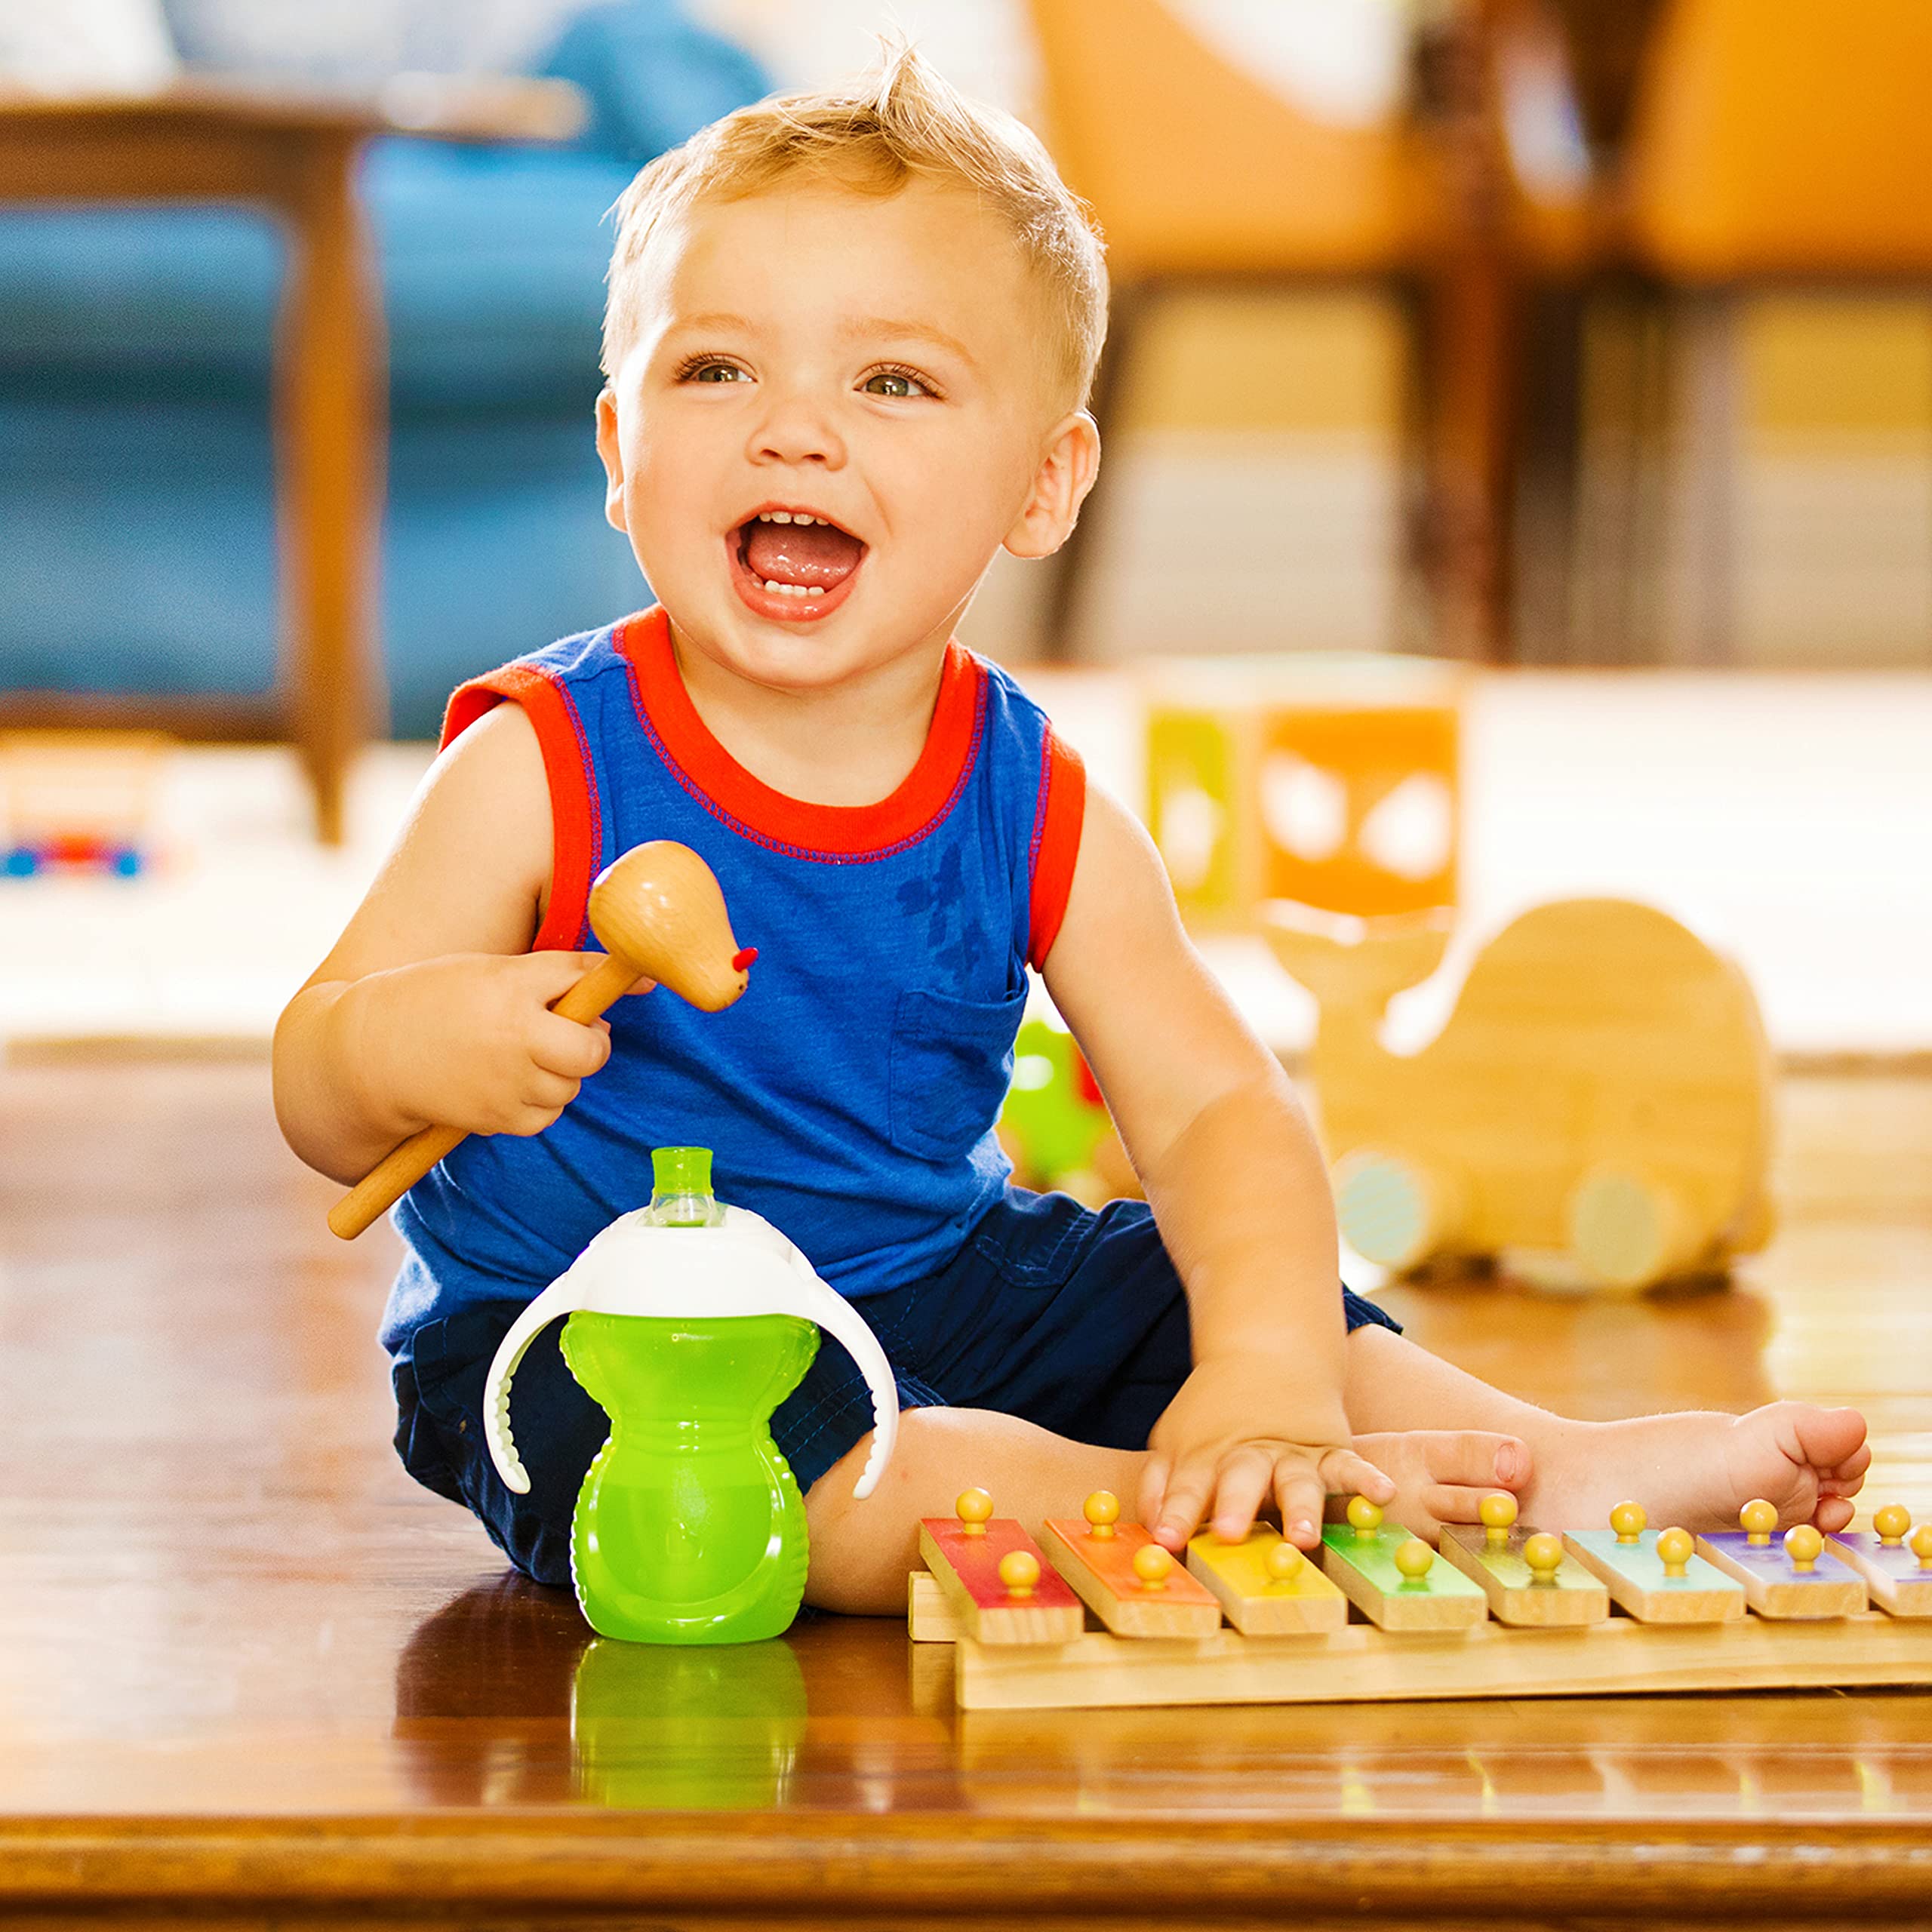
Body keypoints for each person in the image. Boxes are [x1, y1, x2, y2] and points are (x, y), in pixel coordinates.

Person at [272, 45, 1868, 1615]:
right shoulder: (541, 762)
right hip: (594, 1330)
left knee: (1200, 1281)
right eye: (715, 368)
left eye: (888, 381)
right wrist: (420, 1039)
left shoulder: (1027, 798)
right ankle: (1145, 1500)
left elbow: (1217, 1109)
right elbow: (317, 1079)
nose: (793, 429)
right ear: (621, 453)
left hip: (925, 1284)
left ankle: (1515, 1464)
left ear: (1042, 486)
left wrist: (1254, 1370)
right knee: (771, 1468)